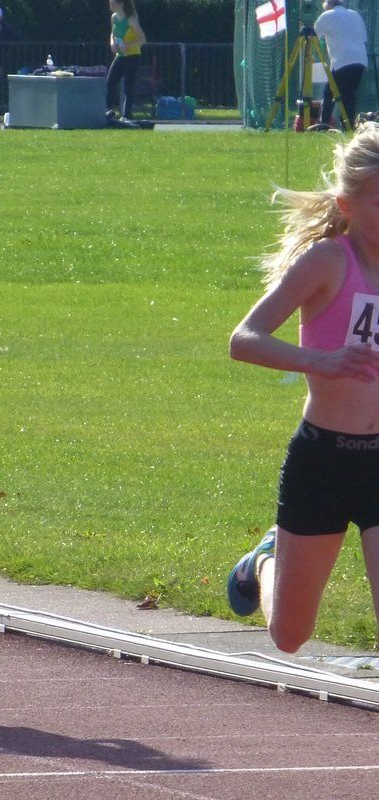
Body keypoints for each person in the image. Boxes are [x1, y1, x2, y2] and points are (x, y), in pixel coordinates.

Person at [226, 122, 379, 654]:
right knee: (289, 635)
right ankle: (262, 561)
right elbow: (244, 339)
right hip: (323, 460)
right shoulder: (327, 262)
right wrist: (326, 361)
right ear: (348, 204)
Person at [314, 0, 368, 130]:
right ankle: (349, 126)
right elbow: (364, 38)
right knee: (349, 94)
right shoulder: (355, 14)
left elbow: (312, 35)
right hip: (360, 60)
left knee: (330, 93)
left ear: (327, 4)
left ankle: (324, 124)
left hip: (342, 60)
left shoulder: (327, 15)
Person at [106, 0, 145, 121]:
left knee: (129, 86)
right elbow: (113, 34)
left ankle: (126, 115)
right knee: (110, 82)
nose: (111, 6)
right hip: (120, 55)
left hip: (132, 56)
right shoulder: (114, 17)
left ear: (121, 4)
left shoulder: (131, 19)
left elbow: (142, 39)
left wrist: (127, 46)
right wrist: (112, 44)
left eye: (113, 4)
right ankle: (108, 111)